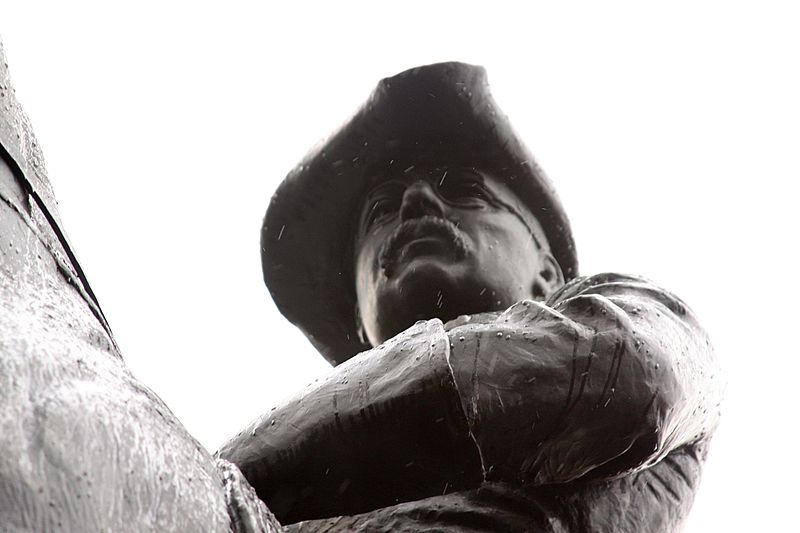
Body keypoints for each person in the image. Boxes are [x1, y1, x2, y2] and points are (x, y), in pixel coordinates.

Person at [218, 62, 723, 532]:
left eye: (464, 190)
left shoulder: (640, 319)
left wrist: (224, 472)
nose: (417, 201)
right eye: (381, 212)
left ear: (547, 275)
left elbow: (630, 373)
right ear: (358, 318)